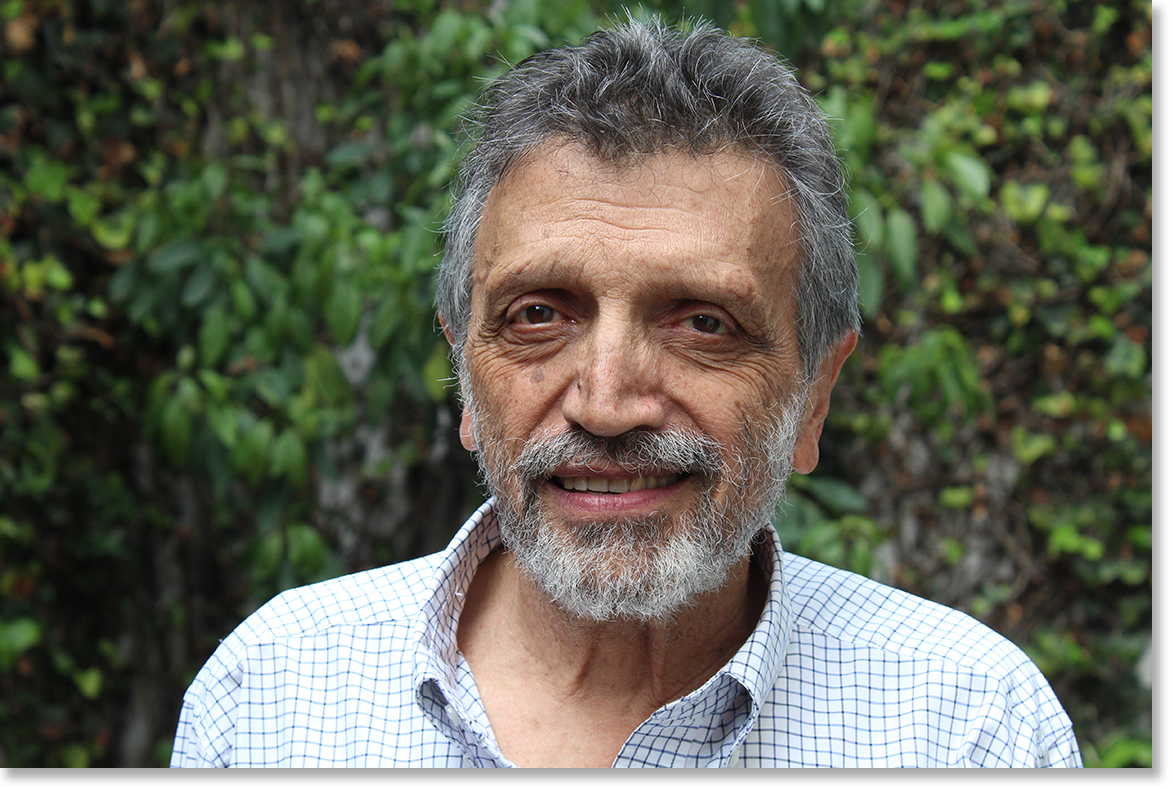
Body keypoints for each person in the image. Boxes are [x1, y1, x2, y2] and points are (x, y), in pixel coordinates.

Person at [170, 19, 1081, 768]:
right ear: (464, 376)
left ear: (813, 394)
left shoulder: (967, 726)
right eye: (537, 314)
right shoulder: (270, 700)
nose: (606, 405)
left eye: (702, 323)